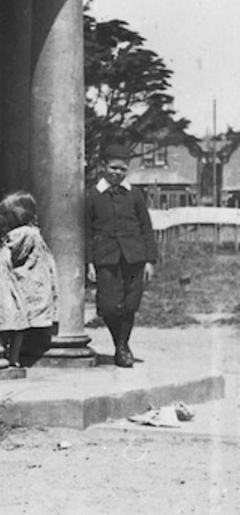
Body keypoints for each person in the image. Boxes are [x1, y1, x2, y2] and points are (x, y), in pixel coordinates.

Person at [86, 143, 156, 367]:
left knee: (129, 304)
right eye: (114, 168)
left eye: (123, 169)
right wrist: (89, 262)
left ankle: (122, 348)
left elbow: (146, 228)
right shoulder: (93, 196)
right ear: (103, 166)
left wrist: (149, 261)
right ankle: (121, 344)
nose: (118, 173)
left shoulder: (134, 195)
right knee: (107, 306)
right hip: (106, 258)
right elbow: (87, 232)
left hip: (134, 257)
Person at [0, 191, 59, 367]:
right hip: (35, 277)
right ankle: (13, 357)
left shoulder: (22, 233)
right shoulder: (32, 231)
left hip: (27, 279)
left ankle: (8, 356)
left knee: (12, 319)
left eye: (7, 215)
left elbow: (8, 253)